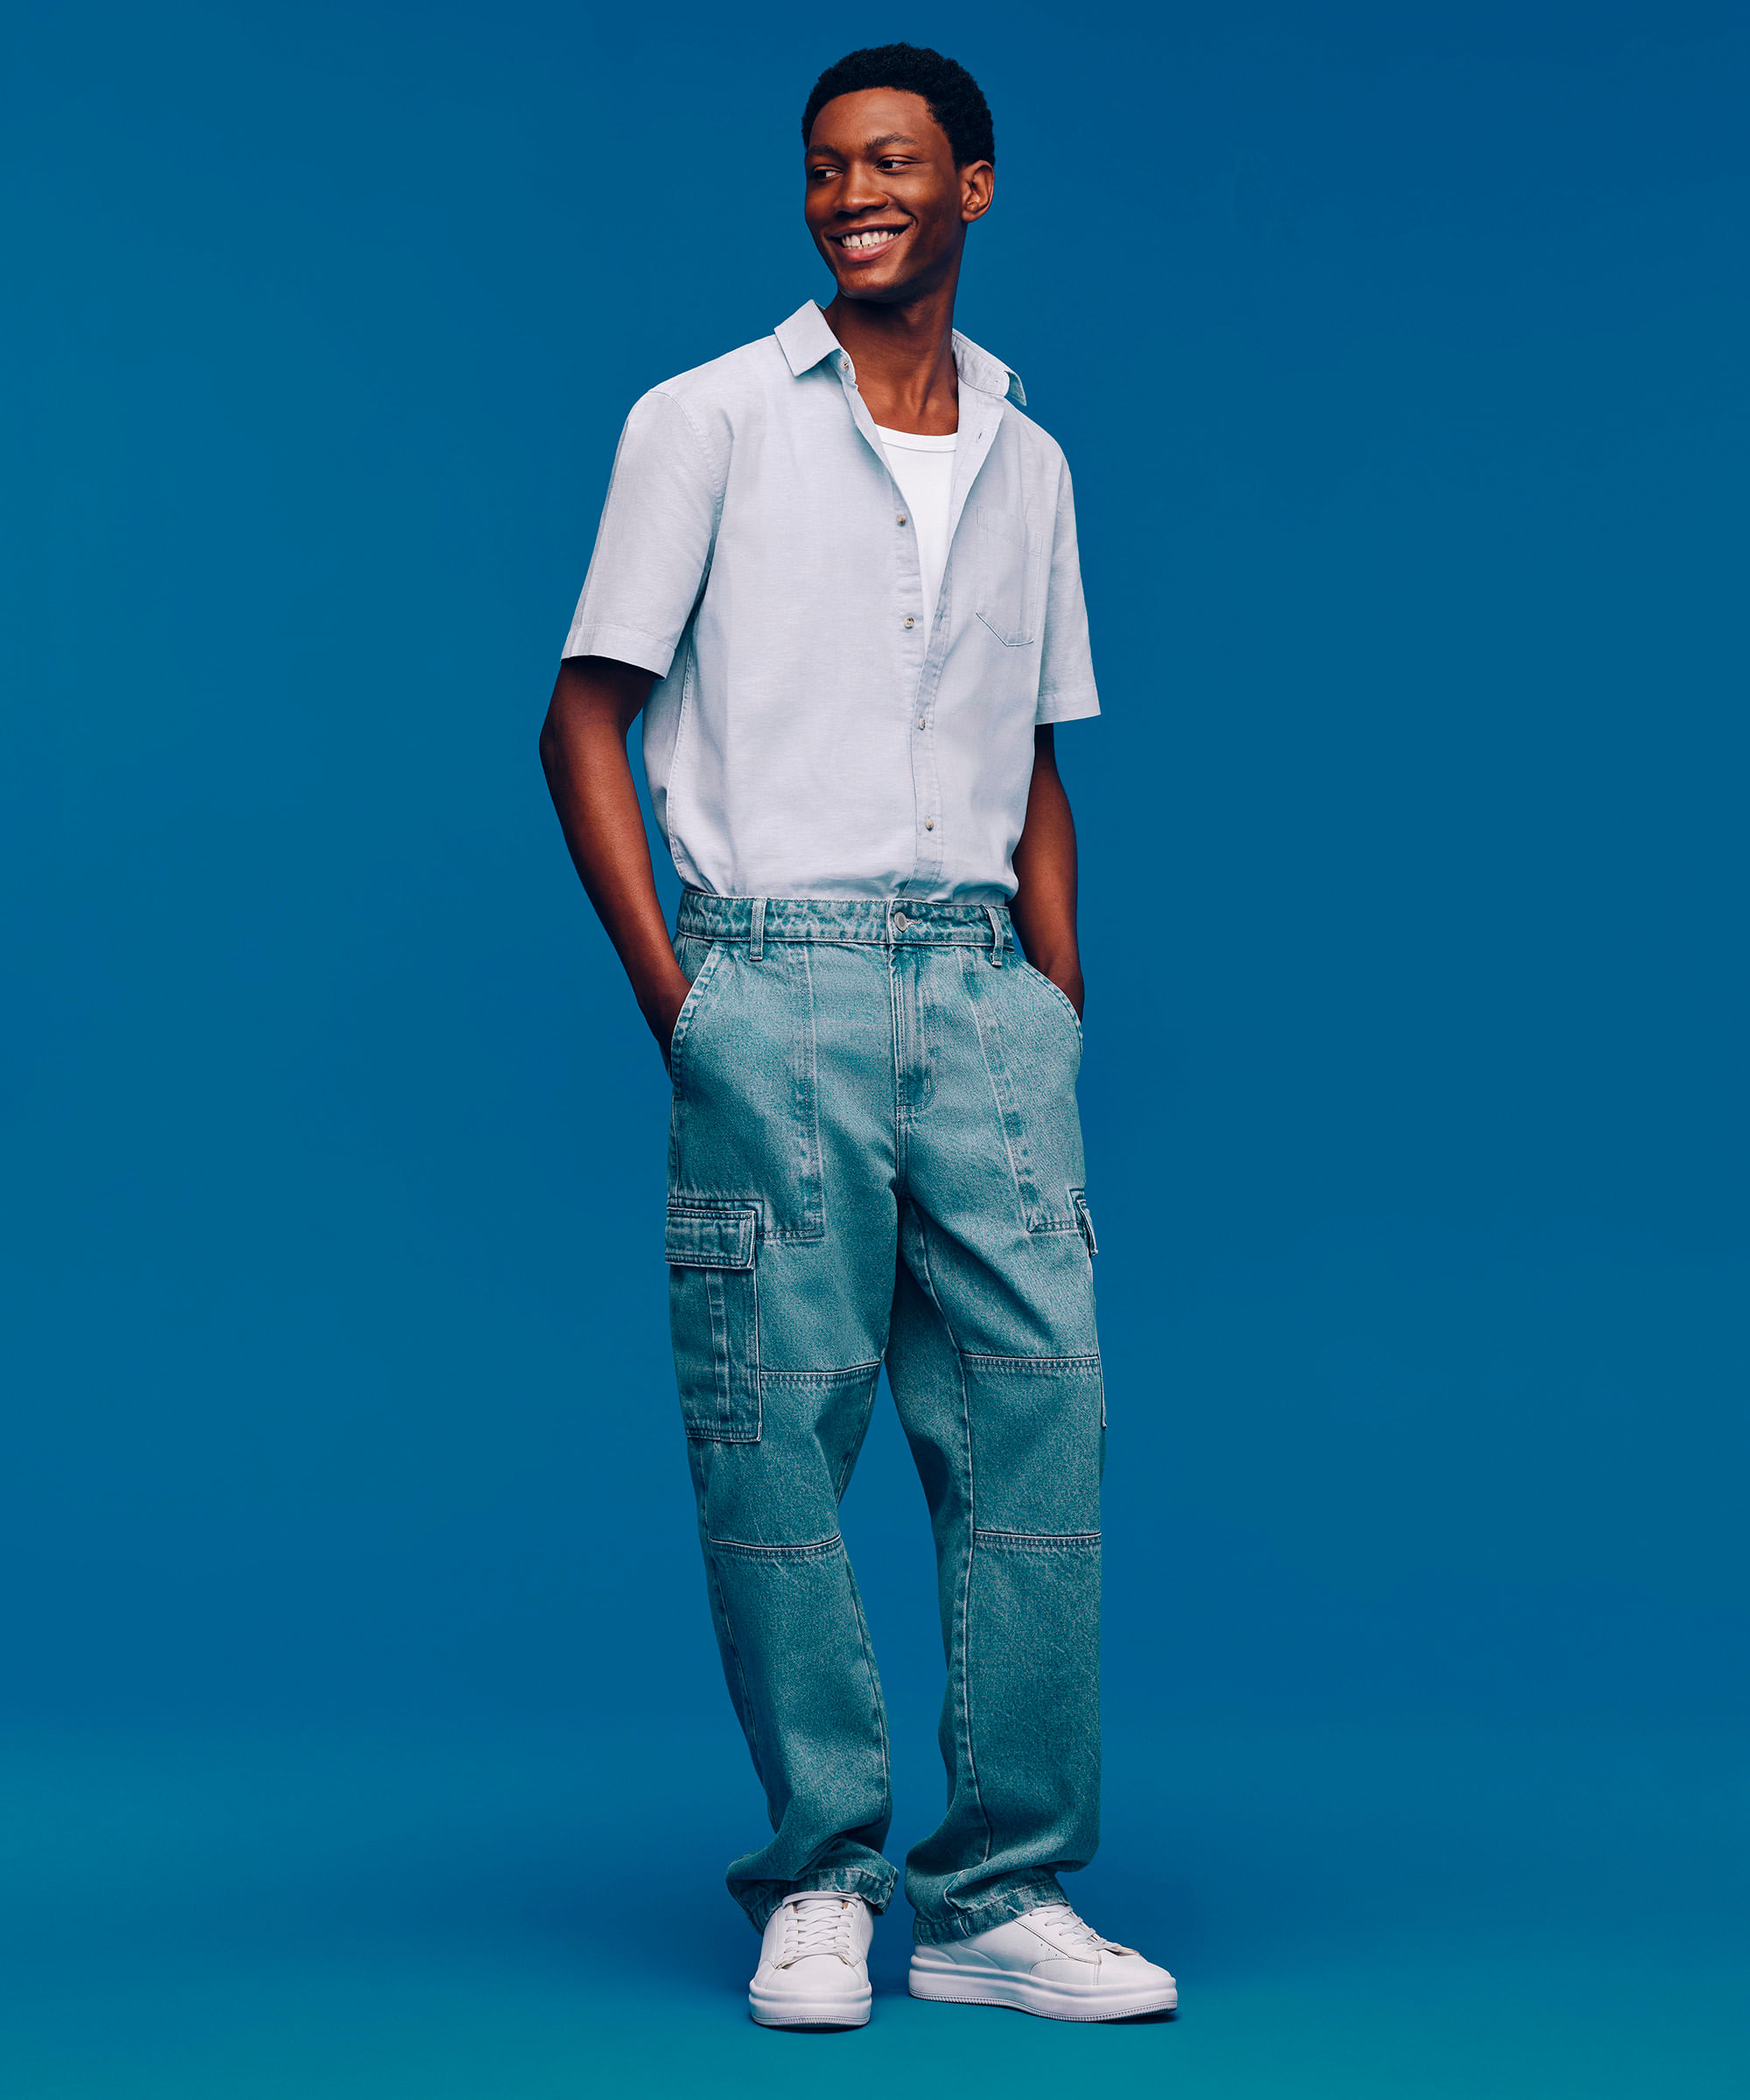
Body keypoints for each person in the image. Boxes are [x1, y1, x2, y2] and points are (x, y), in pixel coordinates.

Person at [539, 42, 1176, 2028]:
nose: (853, 195)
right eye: (826, 167)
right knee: (775, 1436)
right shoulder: (706, 421)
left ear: (971, 187)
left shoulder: (1029, 459)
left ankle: (997, 1898)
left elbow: (1038, 757)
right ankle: (819, 1876)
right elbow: (582, 720)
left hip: (984, 998)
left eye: (892, 162)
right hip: (776, 981)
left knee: (1038, 1430)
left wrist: (1053, 1000)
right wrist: (688, 1005)